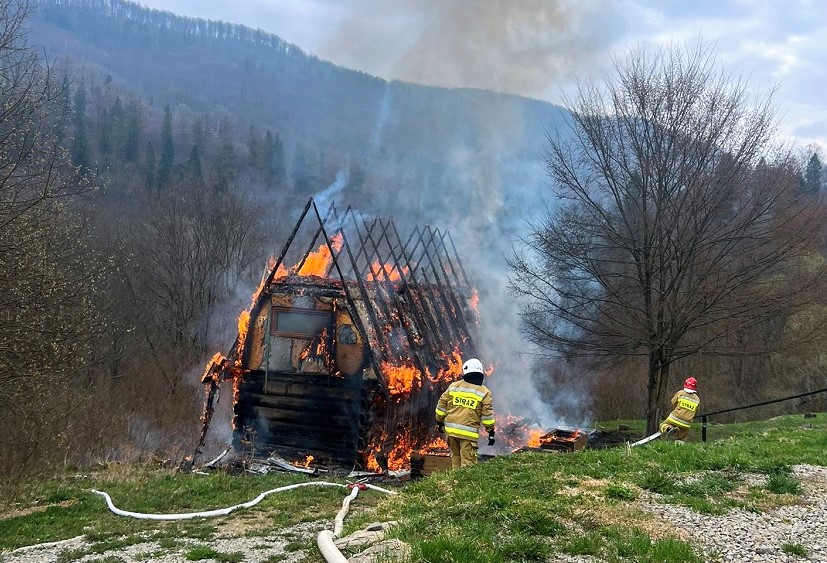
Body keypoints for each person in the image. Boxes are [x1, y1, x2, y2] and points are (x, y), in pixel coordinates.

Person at [434, 357, 495, 469]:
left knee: (456, 458)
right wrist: (490, 431)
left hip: (451, 433)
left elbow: (441, 405)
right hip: (468, 435)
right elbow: (487, 416)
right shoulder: (484, 392)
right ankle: (465, 485)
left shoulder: (453, 387)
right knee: (468, 464)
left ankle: (456, 482)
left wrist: (439, 421)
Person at [659, 377, 701, 441]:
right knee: (682, 437)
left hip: (675, 418)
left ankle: (669, 429)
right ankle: (679, 448)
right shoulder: (697, 399)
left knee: (663, 425)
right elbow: (697, 410)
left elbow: (673, 402)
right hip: (686, 423)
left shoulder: (680, 393)